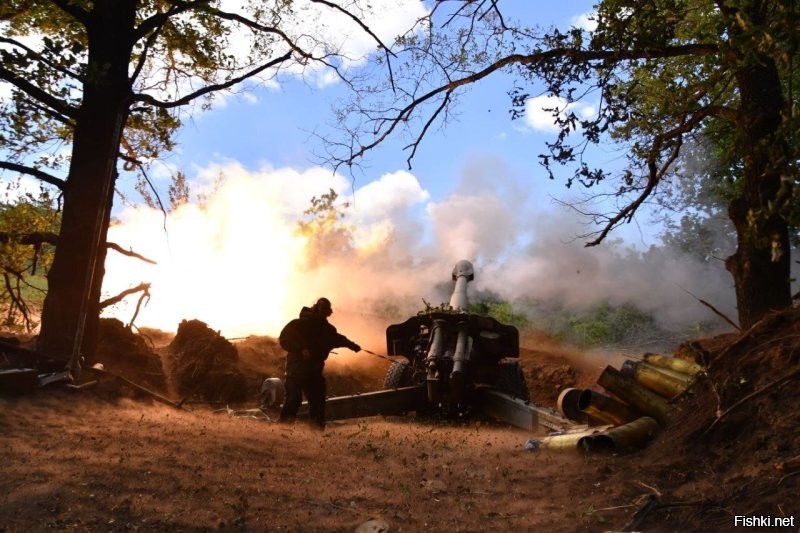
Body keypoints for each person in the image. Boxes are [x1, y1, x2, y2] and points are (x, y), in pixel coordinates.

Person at [277, 297, 361, 429]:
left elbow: (338, 339)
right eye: (322, 308)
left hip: (314, 371)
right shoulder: (299, 324)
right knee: (294, 399)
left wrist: (352, 345)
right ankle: (283, 429)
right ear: (316, 308)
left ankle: (316, 432)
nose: (324, 312)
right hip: (296, 369)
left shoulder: (328, 330)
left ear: (329, 312)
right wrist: (301, 348)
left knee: (318, 402)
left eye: (327, 310)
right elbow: (285, 337)